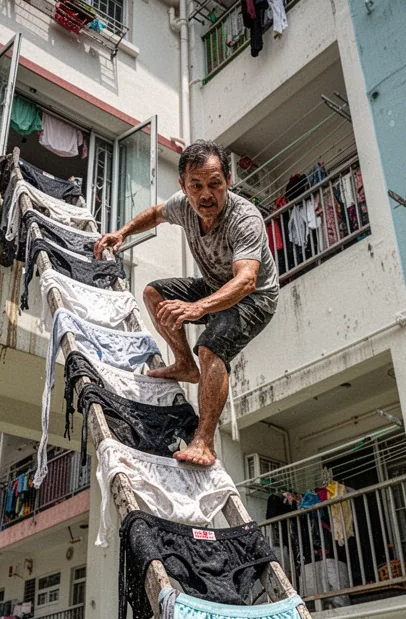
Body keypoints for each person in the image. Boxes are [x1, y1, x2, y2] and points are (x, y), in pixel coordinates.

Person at [93, 140, 279, 466]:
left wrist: (198, 308)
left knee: (210, 347)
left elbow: (247, 279)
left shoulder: (244, 218)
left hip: (254, 299)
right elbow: (154, 214)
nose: (206, 195)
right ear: (184, 186)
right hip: (213, 287)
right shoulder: (183, 205)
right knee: (154, 294)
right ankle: (183, 365)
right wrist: (122, 233)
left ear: (228, 181)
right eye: (196, 186)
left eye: (215, 185)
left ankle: (204, 443)